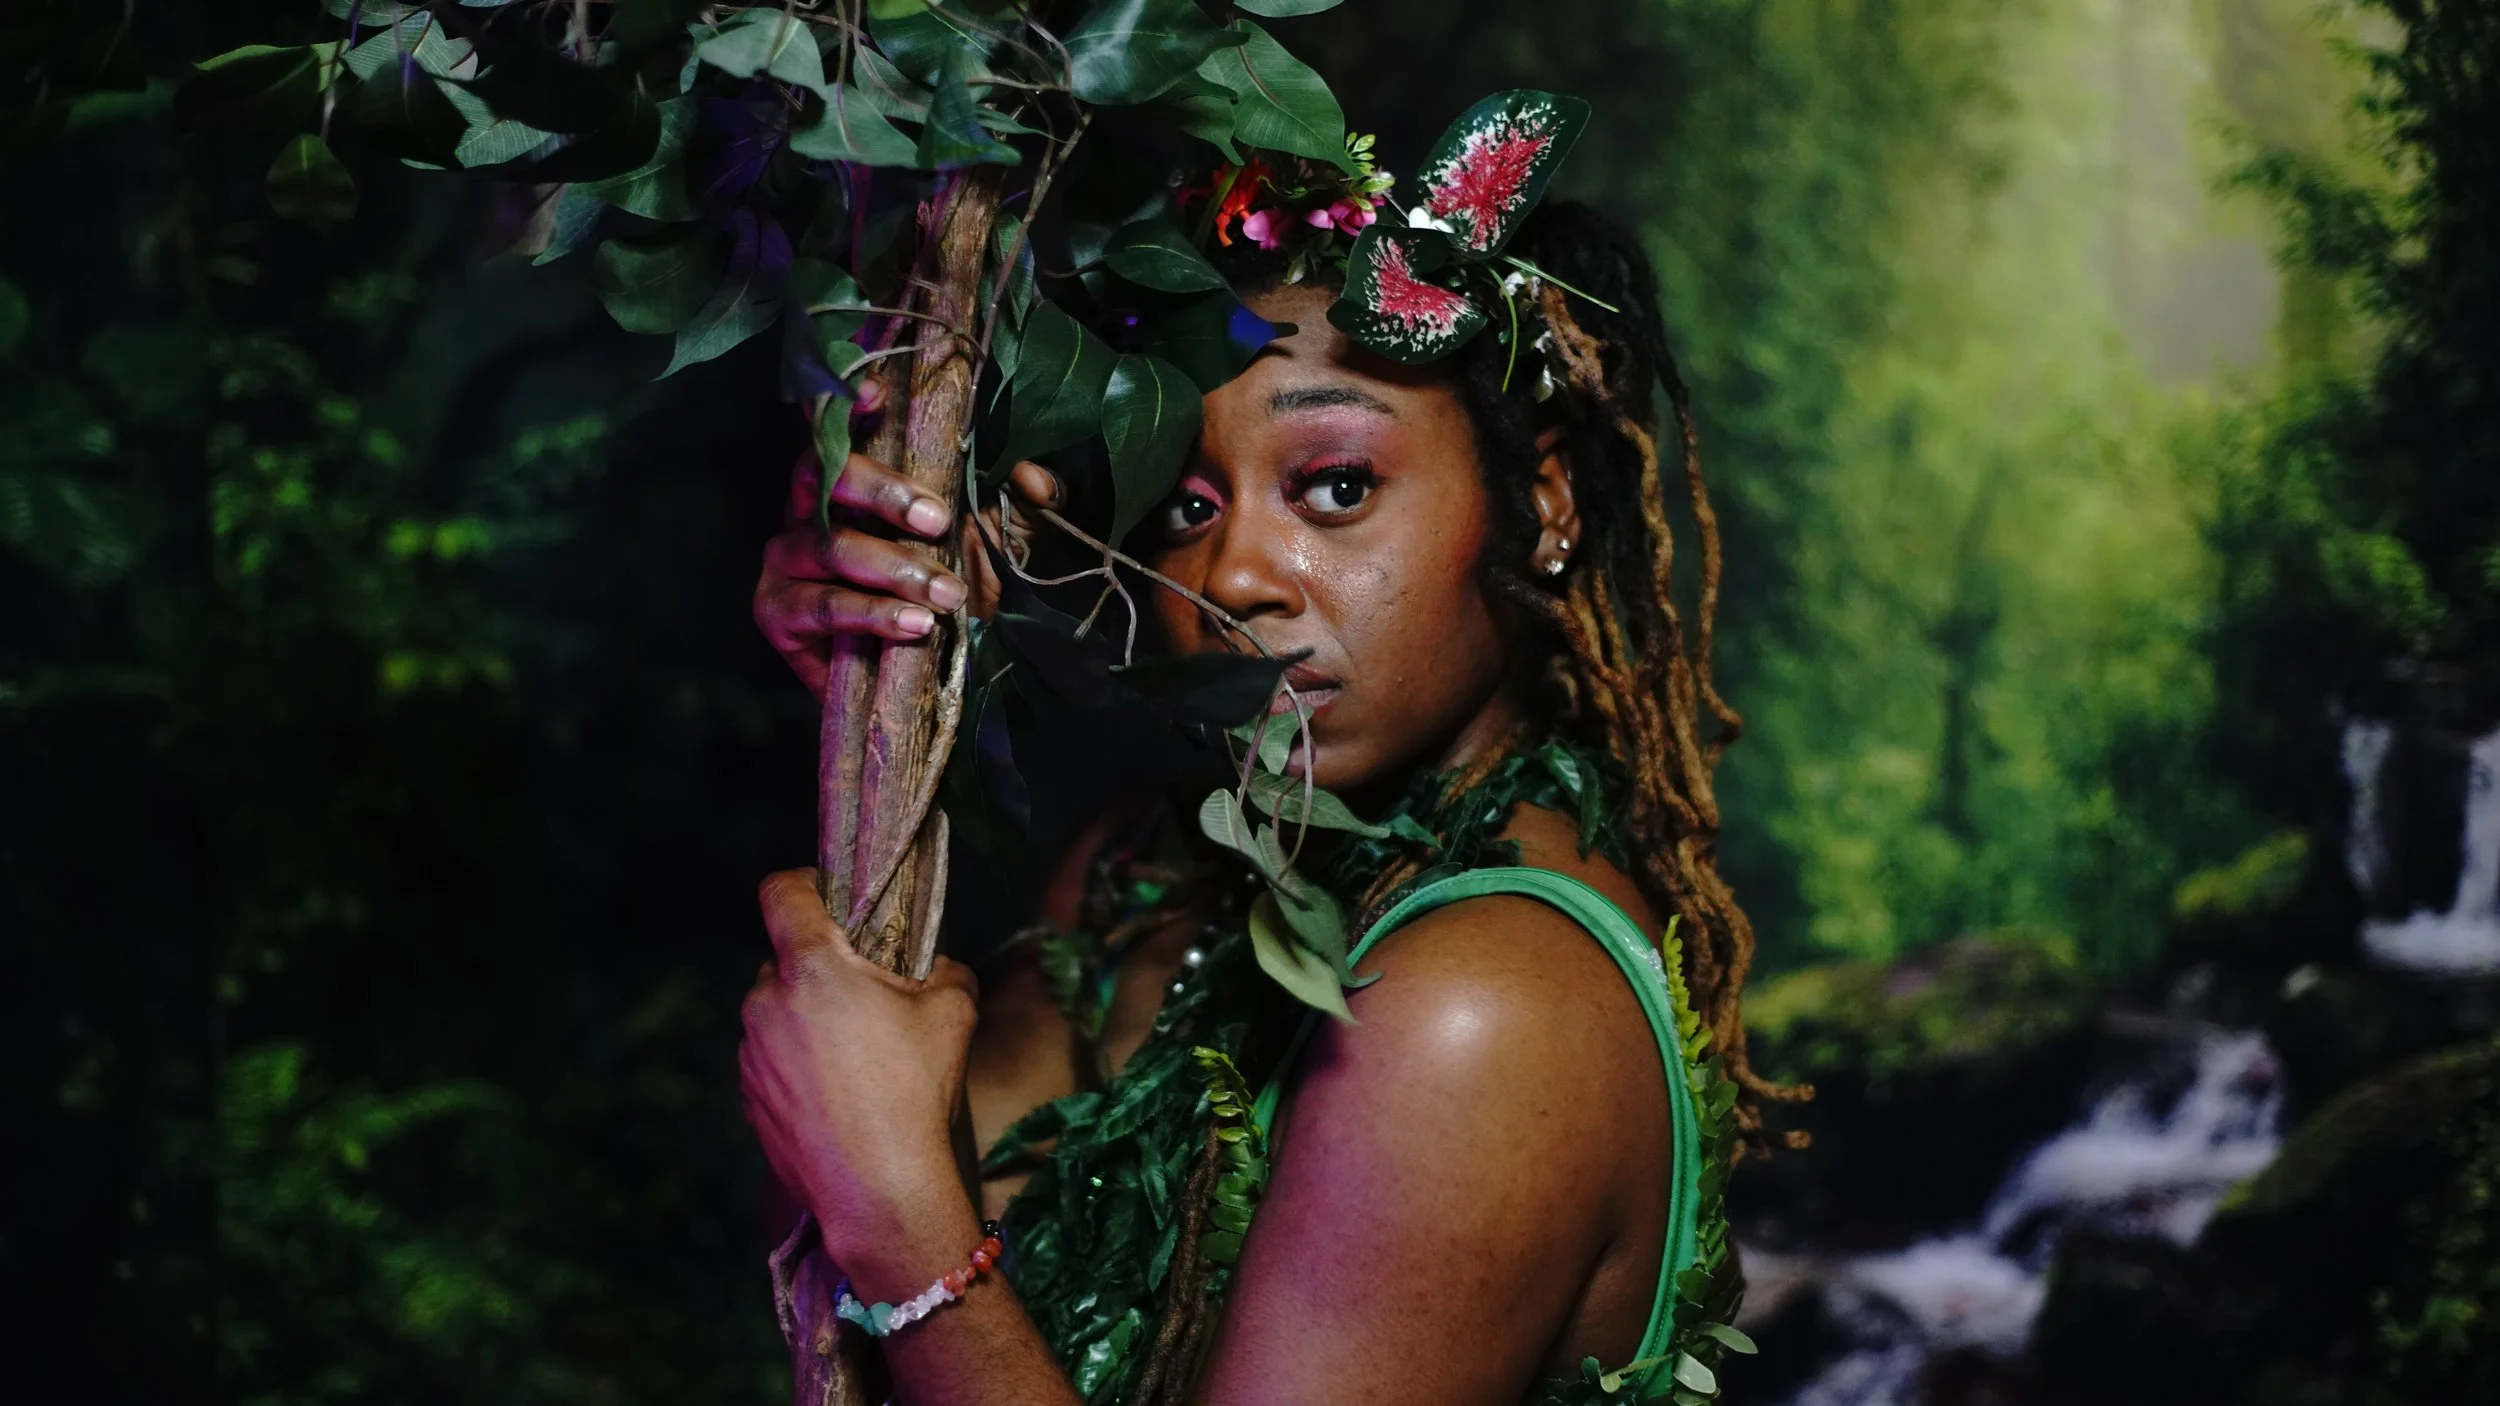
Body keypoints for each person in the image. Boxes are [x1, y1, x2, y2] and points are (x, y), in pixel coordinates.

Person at [737, 144, 1786, 1405]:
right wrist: (877, 686)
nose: (1233, 577)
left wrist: (900, 1224)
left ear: (1542, 502)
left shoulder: (1480, 1003)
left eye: (1335, 486)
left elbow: (891, 1218)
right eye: (1185, 507)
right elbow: (850, 1219)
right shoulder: (1138, 881)